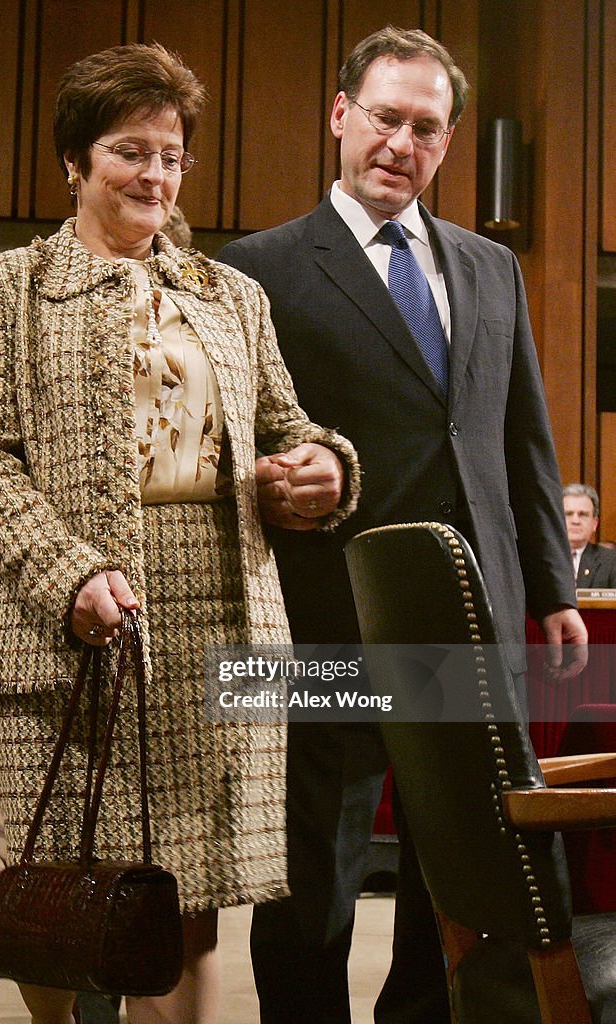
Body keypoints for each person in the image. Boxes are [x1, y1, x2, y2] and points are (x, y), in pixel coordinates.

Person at [0, 42, 360, 1024]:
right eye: (131, 151)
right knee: (59, 885)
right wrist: (71, 574)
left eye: (172, 156)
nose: (156, 176)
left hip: (220, 626)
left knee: (186, 907)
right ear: (76, 162)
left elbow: (287, 426)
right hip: (65, 632)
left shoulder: (230, 297)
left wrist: (324, 468)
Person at [219, 25, 587, 1024]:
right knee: (316, 870)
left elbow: (522, 436)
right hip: (323, 616)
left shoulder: (487, 268)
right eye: (384, 116)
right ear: (340, 115)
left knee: (461, 860)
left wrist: (549, 588)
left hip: (469, 617)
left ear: (446, 142)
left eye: (424, 127)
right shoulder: (255, 270)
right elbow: (225, 442)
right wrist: (259, 478)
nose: (400, 141)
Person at [564, 483, 616, 588]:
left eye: (582, 514)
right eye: (568, 514)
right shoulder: (541, 559)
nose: (575, 521)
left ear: (595, 523)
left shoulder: (611, 561)